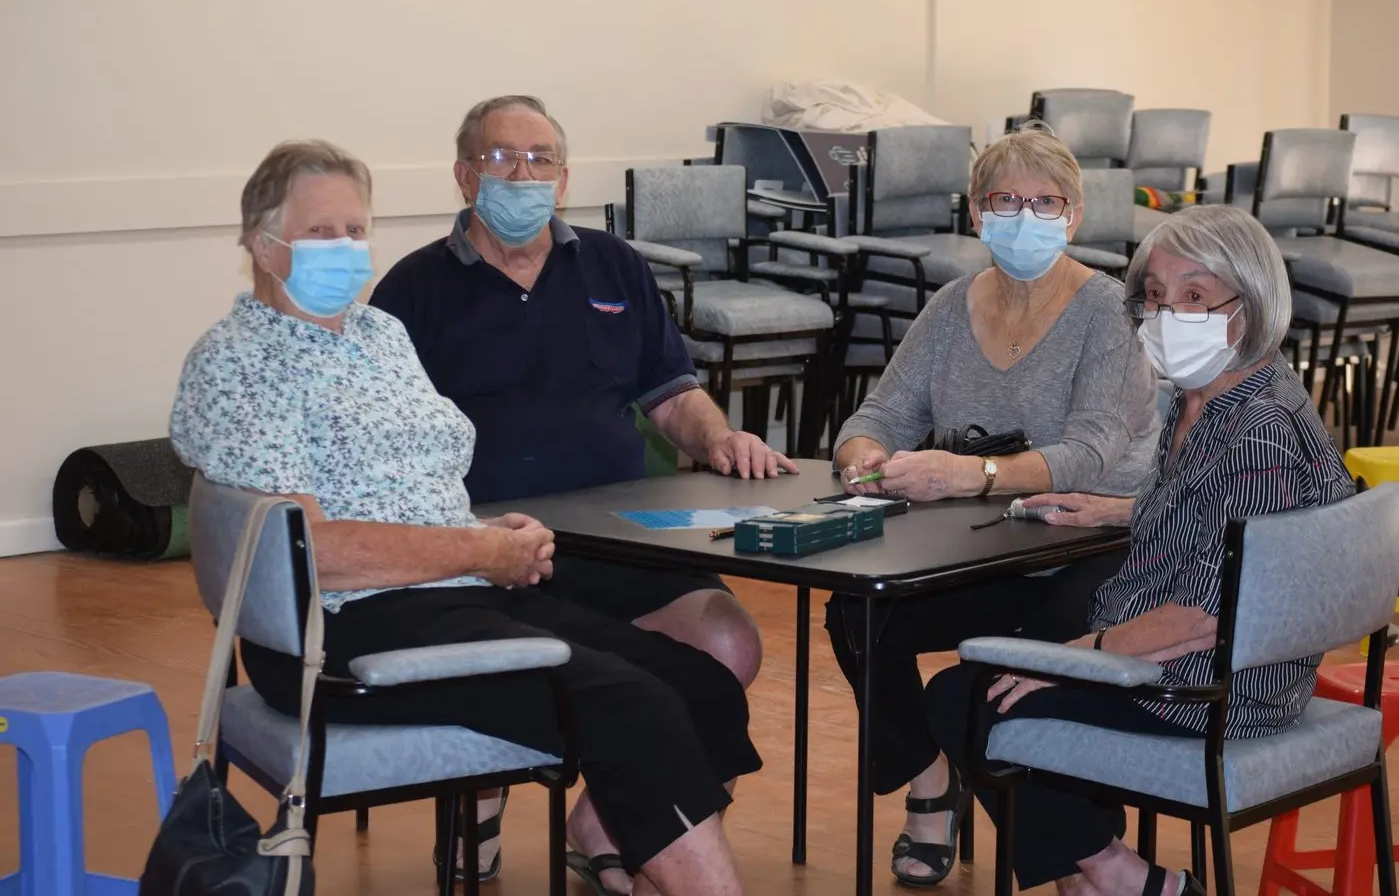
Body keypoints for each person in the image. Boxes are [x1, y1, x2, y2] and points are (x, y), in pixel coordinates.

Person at [170, 139, 758, 896]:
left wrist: (493, 533)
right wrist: (475, 551)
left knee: (698, 684)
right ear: (261, 242)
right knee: (630, 703)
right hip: (339, 628)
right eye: (322, 232)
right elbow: (311, 549)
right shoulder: (238, 362)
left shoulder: (377, 336)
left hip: (447, 595)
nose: (346, 249)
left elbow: (417, 479)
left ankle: (629, 851)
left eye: (356, 230)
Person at [370, 96, 783, 891]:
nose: (522, 174)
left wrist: (718, 437)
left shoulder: (613, 264)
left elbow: (671, 393)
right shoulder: (412, 291)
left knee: (728, 645)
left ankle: (604, 818)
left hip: (621, 533)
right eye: (500, 158)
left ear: (563, 179)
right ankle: (476, 800)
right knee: (521, 662)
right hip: (492, 551)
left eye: (540, 159)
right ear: (463, 176)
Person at [925, 203, 1356, 896]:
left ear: (1245, 306)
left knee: (964, 698)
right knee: (1011, 662)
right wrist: (1123, 510)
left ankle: (1121, 875)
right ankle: (1099, 877)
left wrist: (1079, 659)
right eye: (1153, 296)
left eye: (1192, 296)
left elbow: (1204, 615)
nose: (1164, 313)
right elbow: (1223, 525)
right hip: (1196, 658)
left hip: (1213, 686)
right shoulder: (1214, 398)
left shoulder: (1257, 432)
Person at [824, 128, 1162, 886]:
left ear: (1072, 217)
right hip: (978, 545)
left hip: (1093, 542)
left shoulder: (1108, 312)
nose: (1024, 216)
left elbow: (1090, 452)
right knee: (859, 610)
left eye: (1044, 203)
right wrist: (864, 459)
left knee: (1027, 663)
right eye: (1006, 200)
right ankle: (928, 781)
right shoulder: (949, 307)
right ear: (976, 213)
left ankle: (1082, 849)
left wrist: (972, 473)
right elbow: (876, 413)